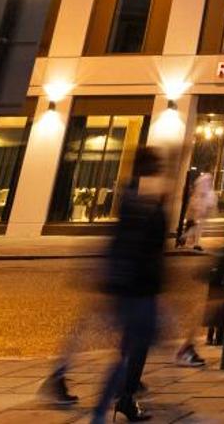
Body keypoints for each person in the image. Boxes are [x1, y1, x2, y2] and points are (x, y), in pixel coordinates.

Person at [92, 149, 168, 424]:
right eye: (157, 164)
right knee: (136, 347)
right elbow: (148, 243)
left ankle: (111, 402)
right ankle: (120, 398)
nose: (160, 169)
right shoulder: (141, 200)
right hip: (140, 284)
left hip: (129, 283)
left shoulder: (131, 195)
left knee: (130, 347)